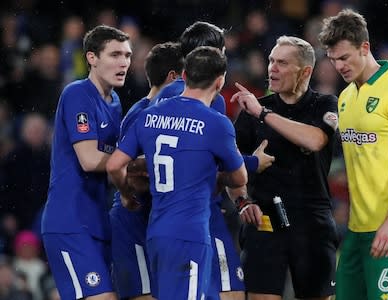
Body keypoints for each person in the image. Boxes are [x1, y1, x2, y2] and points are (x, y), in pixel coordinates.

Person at [106, 46, 248, 300]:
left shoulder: (149, 116)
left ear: (184, 74)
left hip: (156, 233)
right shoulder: (216, 123)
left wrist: (126, 194)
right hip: (190, 233)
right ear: (220, 80)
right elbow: (239, 178)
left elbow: (114, 165)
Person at [157, 21, 274, 300]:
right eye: (222, 51)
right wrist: (255, 162)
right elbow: (223, 165)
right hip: (200, 217)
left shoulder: (162, 100)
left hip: (166, 220)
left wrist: (241, 200)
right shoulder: (210, 102)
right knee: (231, 293)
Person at [318, 9, 388, 300]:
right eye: (332, 60)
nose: (339, 66)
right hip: (357, 230)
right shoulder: (346, 98)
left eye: (344, 58)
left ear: (365, 48)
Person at [230, 35, 339, 300]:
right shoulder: (252, 110)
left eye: (281, 63)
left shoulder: (325, 104)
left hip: (312, 222)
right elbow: (230, 166)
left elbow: (315, 140)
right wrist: (242, 201)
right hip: (264, 220)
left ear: (305, 72)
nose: (272, 69)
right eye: (270, 61)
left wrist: (263, 114)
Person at [41, 25, 132, 300]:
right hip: (69, 221)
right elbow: (90, 159)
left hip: (96, 221)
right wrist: (136, 164)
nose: (124, 63)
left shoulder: (115, 102)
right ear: (92, 58)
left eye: (127, 56)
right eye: (115, 54)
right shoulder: (77, 93)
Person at [109, 42, 183, 300]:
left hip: (154, 220)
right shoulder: (141, 114)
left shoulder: (168, 116)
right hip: (133, 219)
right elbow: (129, 170)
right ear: (174, 77)